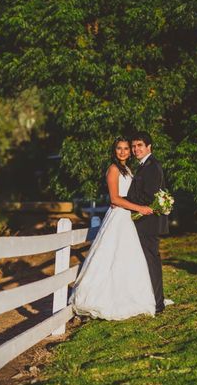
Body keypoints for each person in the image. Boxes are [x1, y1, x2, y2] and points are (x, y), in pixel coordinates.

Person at [69, 137, 157, 320]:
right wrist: (139, 208)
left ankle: (129, 295)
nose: (123, 151)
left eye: (126, 148)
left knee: (127, 257)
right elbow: (115, 199)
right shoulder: (113, 169)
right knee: (111, 256)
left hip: (127, 217)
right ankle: (104, 298)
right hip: (118, 217)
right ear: (114, 150)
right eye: (119, 148)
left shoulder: (128, 169)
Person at [125, 131, 170, 314]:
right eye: (134, 146)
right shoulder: (143, 166)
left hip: (148, 222)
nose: (136, 150)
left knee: (151, 261)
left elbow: (148, 196)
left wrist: (124, 200)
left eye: (139, 146)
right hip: (143, 221)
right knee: (145, 261)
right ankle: (149, 298)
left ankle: (158, 304)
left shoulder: (152, 166)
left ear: (148, 147)